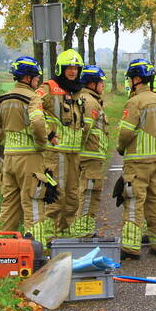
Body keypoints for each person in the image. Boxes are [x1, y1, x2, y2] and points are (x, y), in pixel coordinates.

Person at [0, 56, 55, 243]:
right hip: (30, 159)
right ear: (28, 78)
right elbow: (38, 122)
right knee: (34, 203)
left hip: (9, 159)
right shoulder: (32, 98)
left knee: (9, 205)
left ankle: (0, 247)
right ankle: (37, 250)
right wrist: (41, 144)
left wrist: (6, 139)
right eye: (36, 77)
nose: (37, 80)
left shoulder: (3, 99)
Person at [116, 58, 156, 260]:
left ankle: (130, 248)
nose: (129, 82)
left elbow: (126, 132)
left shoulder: (135, 102)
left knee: (133, 202)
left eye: (131, 79)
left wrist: (121, 148)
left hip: (137, 162)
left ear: (137, 79)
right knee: (155, 200)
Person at [31, 49, 87, 235]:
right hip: (55, 155)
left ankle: (65, 237)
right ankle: (47, 239)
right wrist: (47, 133)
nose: (72, 72)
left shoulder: (78, 91)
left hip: (74, 154)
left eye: (76, 68)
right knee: (55, 198)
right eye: (69, 68)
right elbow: (32, 109)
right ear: (60, 69)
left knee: (72, 198)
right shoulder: (49, 88)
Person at [67, 65, 109, 236]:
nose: (103, 86)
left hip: (86, 157)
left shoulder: (83, 98)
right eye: (100, 82)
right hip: (89, 157)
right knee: (89, 194)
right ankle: (83, 233)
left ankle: (80, 230)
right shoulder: (90, 102)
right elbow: (84, 129)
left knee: (81, 193)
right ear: (92, 84)